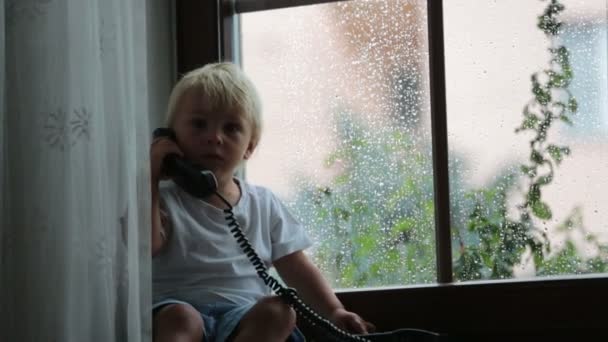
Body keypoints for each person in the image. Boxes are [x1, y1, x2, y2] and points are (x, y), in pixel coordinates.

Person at [150, 62, 374, 342]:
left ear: (250, 146)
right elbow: (147, 246)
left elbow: (296, 267)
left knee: (280, 310)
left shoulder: (262, 203)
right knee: (181, 319)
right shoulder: (165, 198)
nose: (214, 137)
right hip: (178, 309)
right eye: (199, 124)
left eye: (231, 128)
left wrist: (334, 311)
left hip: (244, 319)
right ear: (171, 136)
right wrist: (152, 178)